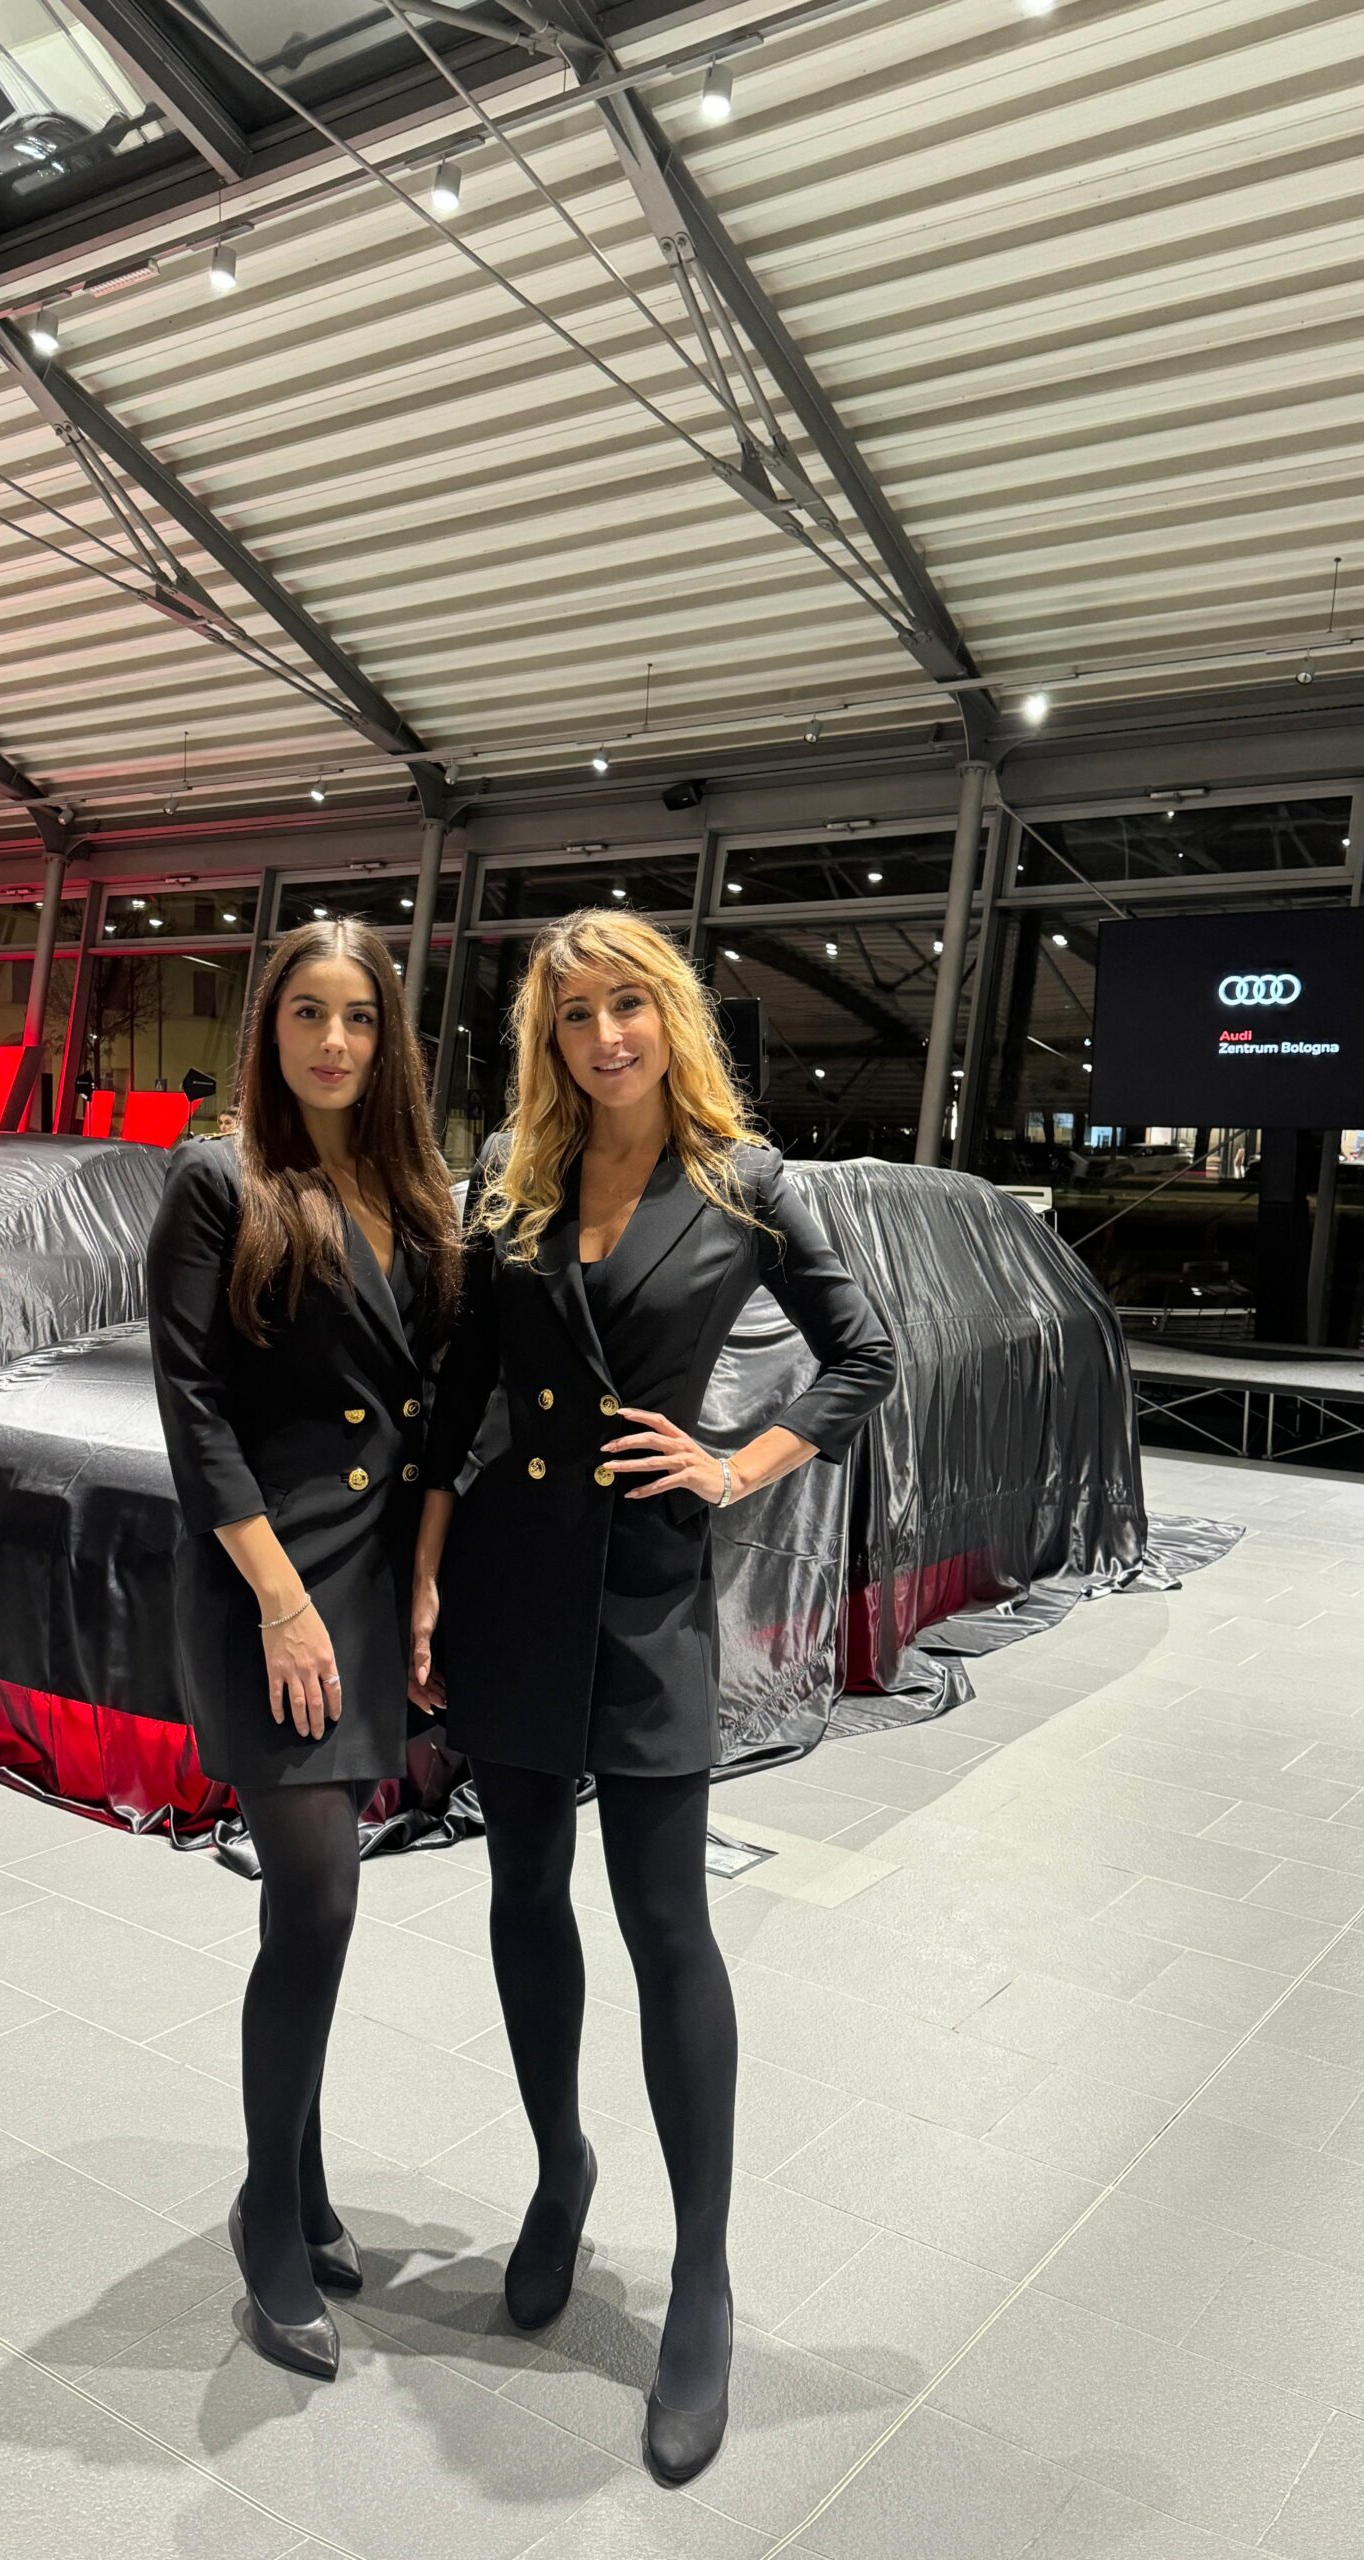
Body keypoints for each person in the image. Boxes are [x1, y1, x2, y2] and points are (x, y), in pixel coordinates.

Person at [409, 910, 895, 2484]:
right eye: (574, 1015)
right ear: (545, 1040)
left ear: (670, 1015)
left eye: (627, 1004)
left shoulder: (746, 1181)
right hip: (508, 1581)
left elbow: (865, 1357)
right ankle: (560, 2174)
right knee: (522, 1896)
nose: (605, 1035)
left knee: (668, 1924)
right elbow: (461, 1394)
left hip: (647, 1590)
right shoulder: (513, 1174)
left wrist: (737, 1464)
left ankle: (704, 2276)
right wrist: (425, 1574)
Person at [146, 917, 458, 2381]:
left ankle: (306, 2182)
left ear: (389, 1039)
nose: (335, 1042)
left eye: (360, 1017)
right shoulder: (219, 1178)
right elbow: (192, 1404)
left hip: (370, 1576)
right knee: (318, 1894)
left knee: (321, 1897)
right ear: (266, 1031)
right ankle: (268, 2210)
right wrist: (278, 1598)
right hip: (262, 1575)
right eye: (307, 1015)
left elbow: (432, 1402)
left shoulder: (414, 1190)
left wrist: (427, 1581)